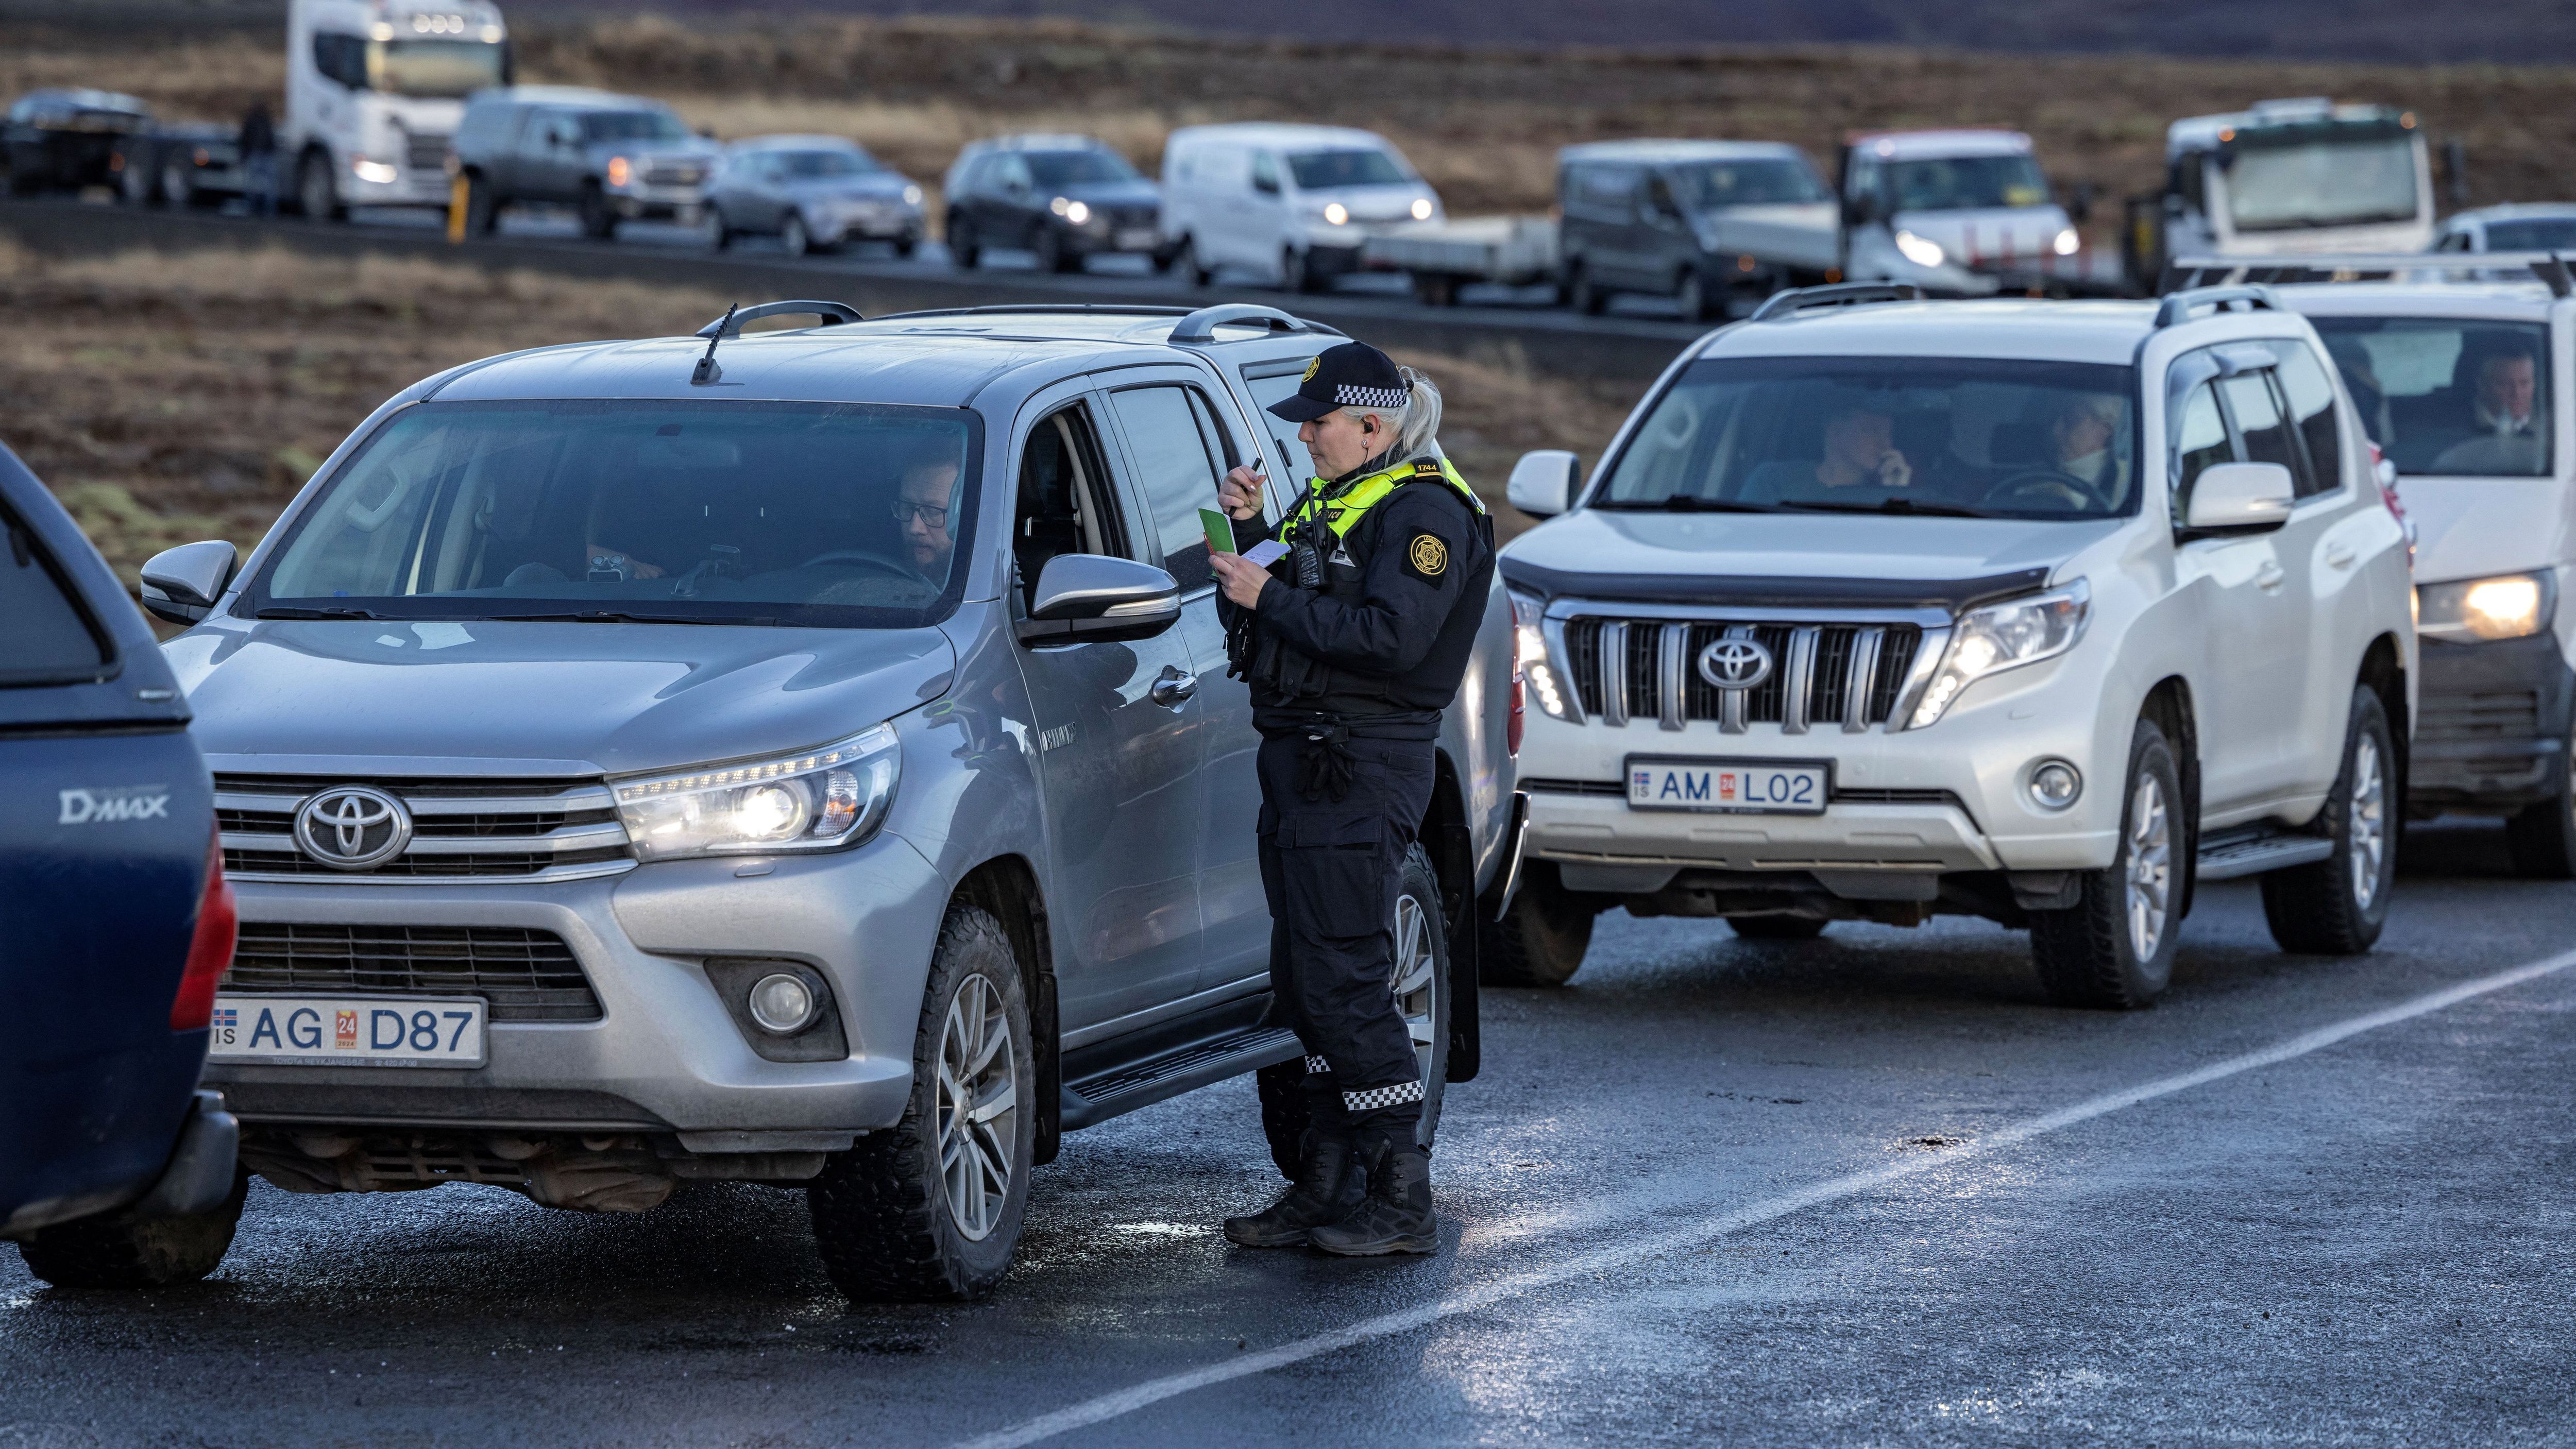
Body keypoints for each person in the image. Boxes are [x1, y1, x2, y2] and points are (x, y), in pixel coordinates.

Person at [1204, 341, 1494, 1258]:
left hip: (1360, 762)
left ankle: (1400, 1194)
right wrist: (1246, 537)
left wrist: (1267, 592)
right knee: (1308, 979)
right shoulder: (1340, 498)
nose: (1306, 437)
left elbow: (1388, 638)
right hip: (1305, 761)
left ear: (1373, 425)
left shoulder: (1427, 515)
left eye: (1318, 422)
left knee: (1349, 977)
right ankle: (1325, 1181)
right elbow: (1271, 610)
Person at [1741, 399, 1914, 506]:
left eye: (1888, 434)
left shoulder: (1882, 496)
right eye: (1870, 430)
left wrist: (1896, 492)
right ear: (1836, 432)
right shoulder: (1773, 480)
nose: (1884, 443)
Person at [2431, 344, 2546, 475]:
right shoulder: (2447, 428)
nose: (2517, 394)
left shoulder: (2553, 428)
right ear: (2482, 385)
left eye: (2525, 383)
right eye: (2504, 385)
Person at [2043, 393, 2127, 503]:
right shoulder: (2034, 474)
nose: (2057, 428)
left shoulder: (2125, 487)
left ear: (2106, 430)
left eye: (2073, 418)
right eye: (2057, 417)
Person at [892, 456, 962, 584]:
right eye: (907, 507)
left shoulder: (987, 586)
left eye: (933, 511)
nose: (915, 528)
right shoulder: (876, 579)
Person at [238, 101, 278, 220]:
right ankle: (264, 209)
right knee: (265, 185)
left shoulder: (256, 120)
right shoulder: (265, 120)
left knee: (255, 184)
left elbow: (245, 138)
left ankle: (258, 208)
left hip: (259, 154)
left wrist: (243, 155)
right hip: (262, 154)